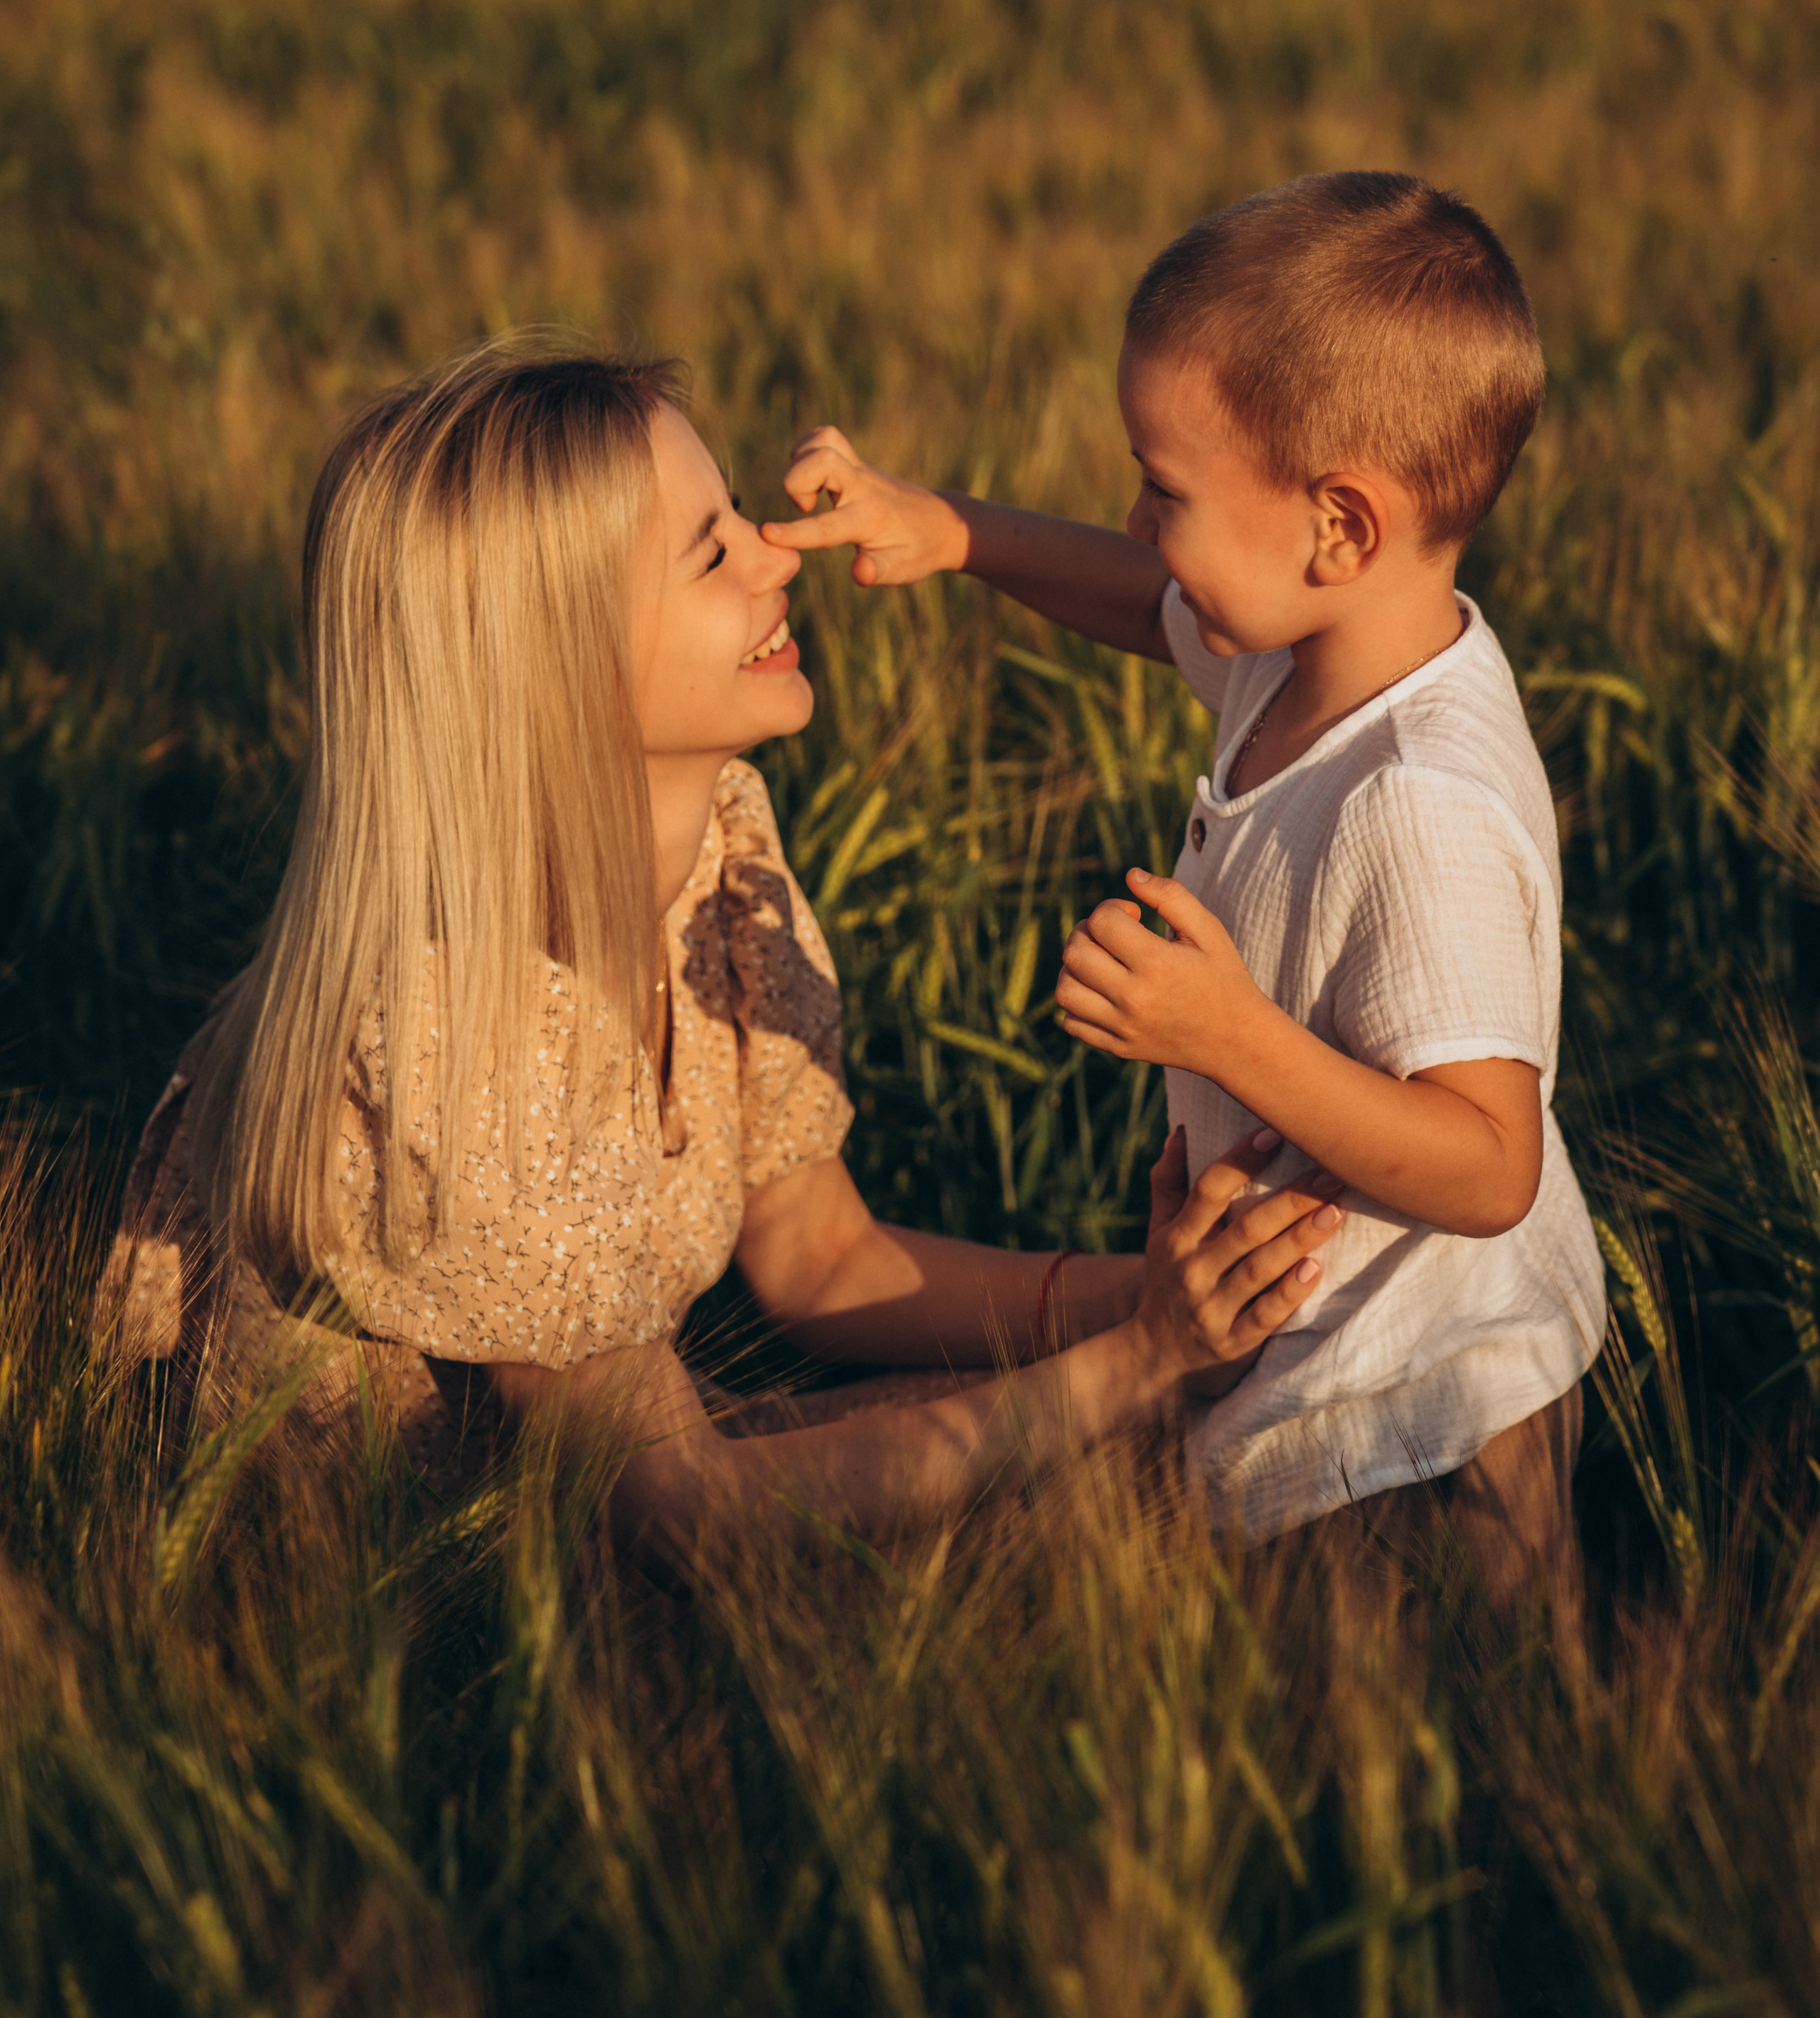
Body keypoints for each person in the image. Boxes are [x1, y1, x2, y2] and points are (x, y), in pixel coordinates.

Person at [97, 339, 1346, 1567]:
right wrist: (1142, 1360)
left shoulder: (717, 853)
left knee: (1226, 1450)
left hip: (617, 1506)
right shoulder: (462, 1028)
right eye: (712, 553)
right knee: (1164, 1487)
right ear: (553, 663)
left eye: (740, 513)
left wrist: (1152, 1297)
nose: (777, 555)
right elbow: (676, 1511)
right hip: (450, 1604)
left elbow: (821, 1261)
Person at [766, 171, 1606, 1601]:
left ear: (1339, 527)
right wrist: (951, 530)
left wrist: (1227, 1037)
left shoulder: (1418, 799)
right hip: (1318, 1358)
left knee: (1449, 1722)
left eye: (1166, 489)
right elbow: (1145, 597)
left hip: (1422, 1421)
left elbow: (1488, 1166)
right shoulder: (1312, 646)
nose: (1139, 518)